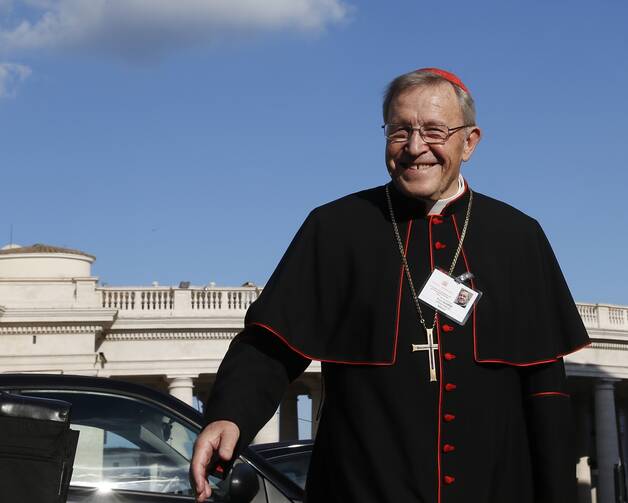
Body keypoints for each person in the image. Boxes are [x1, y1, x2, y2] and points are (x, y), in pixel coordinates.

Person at [190, 68, 590, 503]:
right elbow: (271, 344)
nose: (416, 148)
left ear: (470, 141)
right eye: (400, 131)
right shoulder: (336, 228)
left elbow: (546, 391)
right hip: (363, 486)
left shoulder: (518, 237)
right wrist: (229, 415)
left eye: (434, 131)